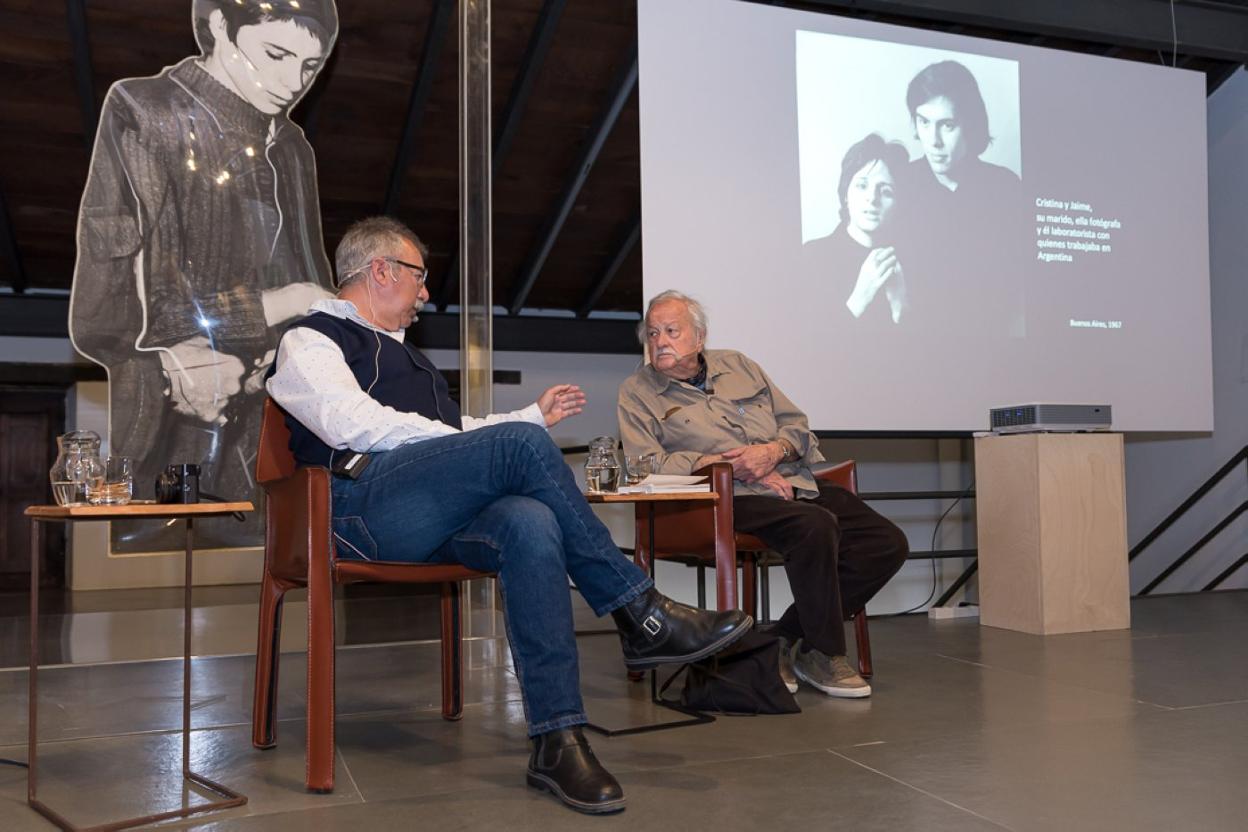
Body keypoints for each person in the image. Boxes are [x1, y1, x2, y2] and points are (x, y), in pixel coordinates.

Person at [266, 218, 752, 814]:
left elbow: (455, 433)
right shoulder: (310, 340)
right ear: (382, 271)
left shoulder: (410, 360)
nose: (425, 293)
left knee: (530, 522)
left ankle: (557, 738)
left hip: (428, 514)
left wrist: (529, 418)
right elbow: (352, 425)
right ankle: (640, 612)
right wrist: (509, 438)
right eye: (419, 277)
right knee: (520, 447)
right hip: (358, 513)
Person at [70, 0, 339, 552]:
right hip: (174, 428)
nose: (293, 83)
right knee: (171, 561)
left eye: (310, 66)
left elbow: (314, 285)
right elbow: (113, 305)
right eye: (277, 54)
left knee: (270, 558)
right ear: (219, 26)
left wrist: (296, 341)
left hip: (268, 426)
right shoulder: (145, 111)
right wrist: (286, 301)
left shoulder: (291, 147)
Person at [617, 291, 909, 698]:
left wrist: (774, 452)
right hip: (721, 497)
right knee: (814, 525)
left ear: (699, 337)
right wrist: (720, 463)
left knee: (886, 542)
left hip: (788, 480)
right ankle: (825, 653)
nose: (660, 342)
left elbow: (798, 426)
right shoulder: (637, 391)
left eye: (671, 331)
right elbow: (643, 464)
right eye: (652, 333)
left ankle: (781, 638)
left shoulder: (738, 365)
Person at [901, 59, 1025, 334]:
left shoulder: (1005, 188)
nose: (933, 140)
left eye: (947, 125)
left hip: (994, 347)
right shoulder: (898, 184)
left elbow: (1018, 288)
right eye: (923, 122)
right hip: (911, 347)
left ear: (970, 124)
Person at [803, 133, 911, 326]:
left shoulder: (910, 262)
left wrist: (900, 306)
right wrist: (858, 300)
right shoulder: (811, 257)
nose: (872, 198)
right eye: (862, 186)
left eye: (886, 191)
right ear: (846, 194)